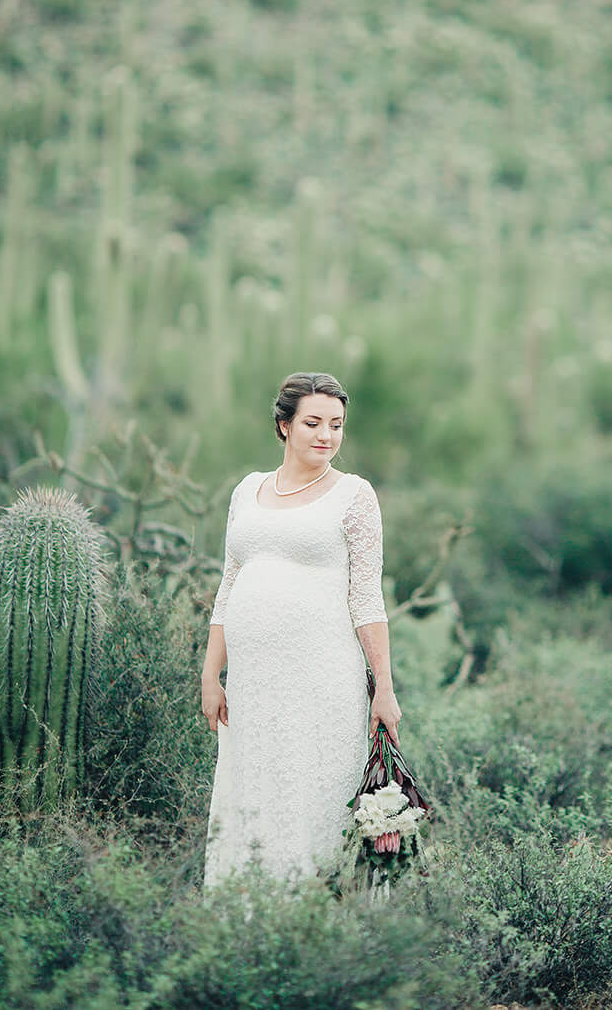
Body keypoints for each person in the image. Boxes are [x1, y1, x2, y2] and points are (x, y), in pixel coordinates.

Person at [200, 370, 400, 888]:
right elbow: (229, 582)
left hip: (321, 677)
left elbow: (366, 596)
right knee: (254, 791)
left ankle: (313, 919)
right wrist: (210, 673)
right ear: (284, 425)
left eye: (336, 425)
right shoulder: (247, 491)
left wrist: (384, 687)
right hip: (253, 682)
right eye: (313, 422)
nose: (326, 436)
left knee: (312, 793)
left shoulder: (353, 496)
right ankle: (246, 916)